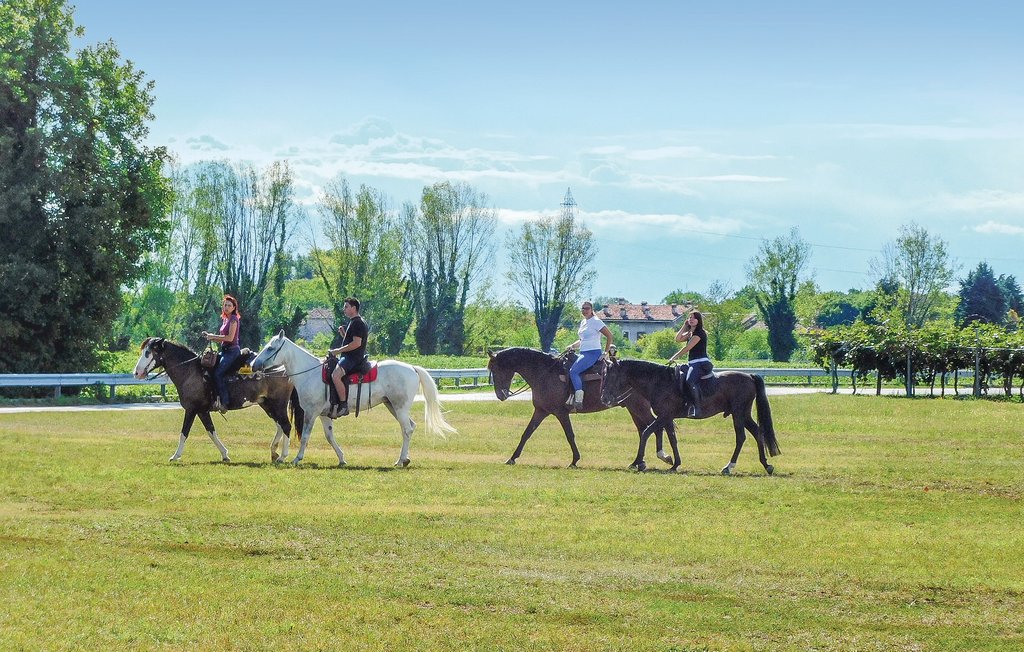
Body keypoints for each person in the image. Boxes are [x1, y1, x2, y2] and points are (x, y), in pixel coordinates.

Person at [564, 301, 613, 409]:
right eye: (583, 308)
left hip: (592, 353)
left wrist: (605, 352)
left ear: (591, 310)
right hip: (583, 353)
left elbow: (609, 336)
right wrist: (572, 346)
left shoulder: (596, 321)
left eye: (587, 308)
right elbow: (582, 339)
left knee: (574, 371)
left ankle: (578, 399)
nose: (584, 311)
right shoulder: (583, 322)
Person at [327, 297, 368, 418]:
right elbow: (353, 340)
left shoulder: (357, 323)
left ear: (354, 308)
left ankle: (343, 405)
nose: (343, 309)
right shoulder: (355, 322)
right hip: (351, 356)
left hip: (353, 358)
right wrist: (344, 334)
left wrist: (337, 351)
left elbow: (356, 343)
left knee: (335, 375)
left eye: (346, 307)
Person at [202, 294, 242, 414]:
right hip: (225, 351)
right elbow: (223, 338)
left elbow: (229, 338)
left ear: (234, 307)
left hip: (232, 351)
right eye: (225, 305)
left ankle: (225, 402)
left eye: (229, 305)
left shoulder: (234, 319)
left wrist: (212, 337)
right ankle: (213, 398)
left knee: (218, 373)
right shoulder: (226, 319)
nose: (226, 307)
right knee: (210, 369)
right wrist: (210, 336)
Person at [670, 309, 711, 417]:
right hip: (692, 363)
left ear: (699, 320)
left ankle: (697, 408)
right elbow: (677, 339)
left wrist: (674, 357)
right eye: (690, 318)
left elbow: (687, 348)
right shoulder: (690, 333)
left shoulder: (699, 333)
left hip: (701, 363)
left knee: (690, 380)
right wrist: (684, 326)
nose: (691, 319)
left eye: (693, 317)